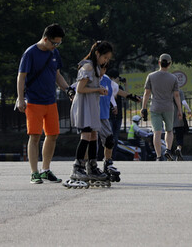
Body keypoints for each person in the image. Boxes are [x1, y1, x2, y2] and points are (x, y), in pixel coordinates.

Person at [17, 23, 72, 184]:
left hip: (50, 101)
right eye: (54, 43)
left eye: (59, 43)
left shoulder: (54, 53)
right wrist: (21, 98)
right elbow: (21, 77)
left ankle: (46, 170)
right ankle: (34, 172)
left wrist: (67, 89)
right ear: (45, 39)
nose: (56, 46)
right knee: (35, 136)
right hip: (34, 101)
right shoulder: (30, 53)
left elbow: (57, 75)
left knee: (53, 135)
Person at [69, 41, 114, 184]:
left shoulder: (95, 67)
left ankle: (92, 166)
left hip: (92, 104)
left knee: (94, 134)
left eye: (108, 59)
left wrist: (99, 89)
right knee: (86, 134)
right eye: (105, 58)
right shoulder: (87, 66)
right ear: (97, 54)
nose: (105, 61)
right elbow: (80, 89)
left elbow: (91, 85)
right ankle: (78, 167)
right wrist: (97, 90)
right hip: (84, 105)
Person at [140, 53, 182, 162]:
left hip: (155, 107)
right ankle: (168, 150)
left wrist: (143, 107)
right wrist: (180, 110)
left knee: (157, 132)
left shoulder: (151, 76)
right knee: (169, 130)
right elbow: (176, 95)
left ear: (159, 62)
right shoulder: (173, 78)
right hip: (168, 107)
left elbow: (147, 93)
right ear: (169, 64)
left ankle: (158, 156)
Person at [98, 63, 121, 177]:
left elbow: (112, 92)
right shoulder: (89, 78)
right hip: (90, 114)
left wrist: (114, 105)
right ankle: (86, 165)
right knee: (89, 141)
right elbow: (76, 88)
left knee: (109, 140)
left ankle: (108, 162)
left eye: (104, 68)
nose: (103, 70)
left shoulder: (106, 79)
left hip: (103, 115)